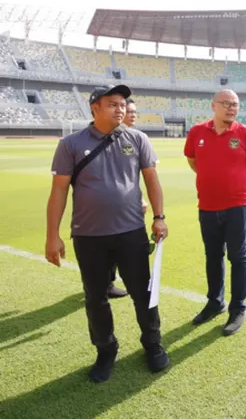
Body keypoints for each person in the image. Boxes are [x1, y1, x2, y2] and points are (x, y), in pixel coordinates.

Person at [45, 84, 170, 383]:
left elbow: (152, 181)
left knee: (144, 294)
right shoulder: (71, 144)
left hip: (131, 234)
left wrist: (159, 217)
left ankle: (152, 344)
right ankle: (105, 349)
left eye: (123, 104)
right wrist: (52, 235)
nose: (120, 108)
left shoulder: (137, 138)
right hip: (89, 238)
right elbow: (59, 190)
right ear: (95, 109)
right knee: (96, 298)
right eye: (112, 103)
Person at [184, 89, 246, 336]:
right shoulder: (197, 132)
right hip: (207, 204)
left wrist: (236, 182)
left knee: (238, 257)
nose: (232, 108)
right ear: (213, 106)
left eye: (236, 104)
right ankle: (214, 302)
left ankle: (237, 308)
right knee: (213, 255)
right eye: (227, 104)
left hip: (238, 206)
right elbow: (192, 159)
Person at [103, 98, 145, 299]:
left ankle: (112, 281)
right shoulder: (107, 138)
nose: (133, 115)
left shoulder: (137, 138)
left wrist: (140, 198)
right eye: (130, 111)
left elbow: (136, 175)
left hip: (129, 203)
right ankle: (106, 282)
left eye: (135, 112)